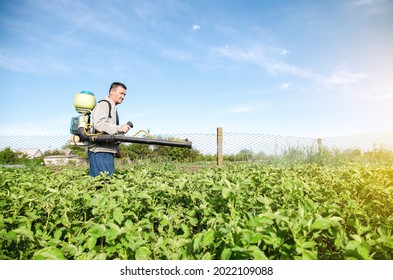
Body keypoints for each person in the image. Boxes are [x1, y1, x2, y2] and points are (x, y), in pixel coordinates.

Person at [88, 82, 131, 177]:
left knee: (107, 183)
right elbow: (99, 124)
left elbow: (108, 131)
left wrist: (116, 148)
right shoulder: (104, 104)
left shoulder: (112, 107)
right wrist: (119, 128)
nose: (123, 97)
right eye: (121, 93)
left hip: (107, 151)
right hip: (99, 152)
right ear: (112, 91)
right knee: (101, 184)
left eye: (124, 94)